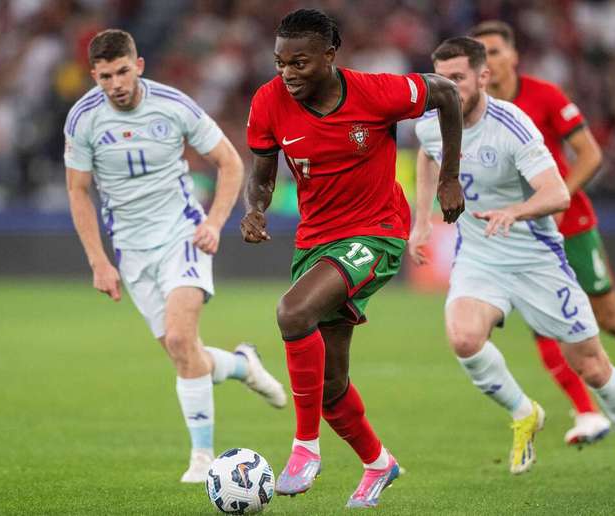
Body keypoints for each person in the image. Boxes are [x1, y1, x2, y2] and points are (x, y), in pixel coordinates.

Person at [242, 8, 465, 508]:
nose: (289, 74)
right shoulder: (268, 101)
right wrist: (255, 210)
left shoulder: (377, 92)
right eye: (281, 63)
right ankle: (378, 463)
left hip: (376, 232)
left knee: (292, 311)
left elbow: (447, 93)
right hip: (315, 242)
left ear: (329, 55)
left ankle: (304, 448)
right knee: (329, 385)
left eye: (300, 62)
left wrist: (449, 176)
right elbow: (261, 169)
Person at [411, 36, 615, 488]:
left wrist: (516, 211)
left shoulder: (513, 125)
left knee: (593, 366)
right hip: (480, 257)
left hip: (535, 258)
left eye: (458, 79)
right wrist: (421, 220)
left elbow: (558, 192)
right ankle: (525, 413)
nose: (448, 89)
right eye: (440, 80)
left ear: (483, 77)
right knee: (463, 339)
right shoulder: (429, 121)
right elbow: (427, 159)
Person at [64, 29, 287, 483]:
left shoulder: (174, 105)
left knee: (184, 342)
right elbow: (78, 190)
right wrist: (98, 261)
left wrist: (213, 222)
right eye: (105, 76)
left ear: (138, 65)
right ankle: (244, 365)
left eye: (123, 71)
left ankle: (203, 460)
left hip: (182, 236)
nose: (116, 84)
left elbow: (230, 162)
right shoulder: (82, 119)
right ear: (94, 75)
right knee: (182, 353)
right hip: (131, 251)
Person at [466, 21, 615, 444]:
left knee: (607, 317)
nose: (490, 61)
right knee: (542, 323)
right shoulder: (472, 107)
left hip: (570, 222)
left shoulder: (544, 95)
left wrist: (558, 198)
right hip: (519, 229)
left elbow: (591, 154)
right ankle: (586, 413)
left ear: (514, 56)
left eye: (496, 51)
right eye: (480, 54)